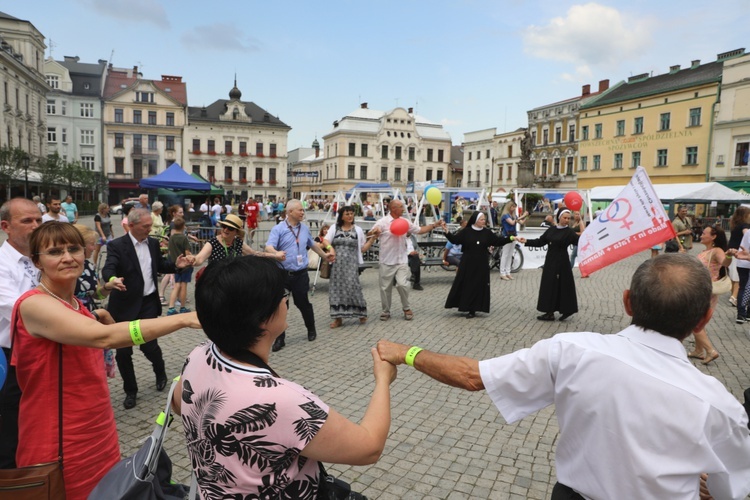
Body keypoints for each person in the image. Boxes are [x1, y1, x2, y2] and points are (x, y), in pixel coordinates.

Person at [376, 254, 750, 500]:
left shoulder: (573, 350)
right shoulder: (720, 405)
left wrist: (405, 353)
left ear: (627, 302)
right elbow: (731, 490)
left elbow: (473, 376)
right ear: (703, 320)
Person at [173, 256, 395, 498]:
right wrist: (383, 380)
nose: (286, 301)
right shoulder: (279, 400)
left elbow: (179, 404)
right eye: (282, 296)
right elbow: (369, 448)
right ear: (261, 319)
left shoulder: (199, 355)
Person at [12, 222, 200, 499]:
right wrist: (182, 319)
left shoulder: (75, 304)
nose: (67, 257)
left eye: (73, 248)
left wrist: (98, 314)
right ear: (36, 261)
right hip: (58, 439)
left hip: (98, 430)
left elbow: (92, 324)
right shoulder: (34, 304)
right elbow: (104, 338)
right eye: (54, 251)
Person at [102, 208, 194, 410]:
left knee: (149, 346)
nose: (150, 229)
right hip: (124, 306)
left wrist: (176, 266)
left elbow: (160, 265)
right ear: (132, 226)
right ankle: (130, 391)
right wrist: (111, 279)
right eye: (146, 226)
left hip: (147, 304)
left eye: (150, 226)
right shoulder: (117, 245)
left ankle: (160, 372)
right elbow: (109, 267)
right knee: (124, 352)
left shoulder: (152, 243)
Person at [0, 198, 42, 468]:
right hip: (10, 357)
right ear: (6, 226)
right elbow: (21, 309)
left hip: (39, 351)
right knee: (10, 431)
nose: (36, 226)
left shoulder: (39, 257)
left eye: (39, 219)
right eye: (27, 221)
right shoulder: (2, 264)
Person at [265, 200, 331, 352]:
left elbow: (313, 245)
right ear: (290, 212)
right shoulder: (278, 229)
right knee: (281, 307)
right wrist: (276, 253)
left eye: (303, 210)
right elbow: (269, 246)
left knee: (303, 304)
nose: (303, 212)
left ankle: (311, 328)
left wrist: (325, 256)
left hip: (300, 274)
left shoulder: (304, 228)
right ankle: (280, 339)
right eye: (300, 210)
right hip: (282, 274)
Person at [369, 199, 444, 322]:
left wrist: (435, 225)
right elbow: (371, 232)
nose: (403, 209)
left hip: (401, 260)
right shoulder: (382, 222)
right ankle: (386, 311)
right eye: (400, 207)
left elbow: (420, 230)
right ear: (393, 208)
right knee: (385, 288)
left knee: (402, 284)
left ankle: (406, 308)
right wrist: (375, 231)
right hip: (386, 260)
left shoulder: (405, 222)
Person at [444, 212, 517, 318]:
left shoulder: (487, 233)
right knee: (467, 284)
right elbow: (455, 240)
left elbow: (498, 241)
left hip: (481, 263)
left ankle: (473, 309)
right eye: (482, 219)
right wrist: (446, 232)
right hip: (467, 263)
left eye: (484, 219)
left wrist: (511, 238)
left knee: (478, 285)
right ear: (476, 220)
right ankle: (465, 305)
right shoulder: (467, 231)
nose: (484, 221)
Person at [523, 209, 585, 321]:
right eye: (564, 217)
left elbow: (581, 241)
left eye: (568, 218)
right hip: (550, 262)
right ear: (559, 217)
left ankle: (567, 310)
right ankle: (549, 312)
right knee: (549, 286)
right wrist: (526, 241)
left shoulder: (569, 232)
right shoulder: (551, 230)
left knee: (563, 287)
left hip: (562, 264)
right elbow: (540, 242)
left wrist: (581, 222)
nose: (566, 220)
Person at [323, 206, 375, 328]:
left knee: (354, 287)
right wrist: (331, 249)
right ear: (341, 216)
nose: (350, 216)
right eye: (347, 214)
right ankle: (338, 318)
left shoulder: (358, 230)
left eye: (352, 214)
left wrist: (372, 240)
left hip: (351, 265)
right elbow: (325, 241)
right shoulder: (334, 228)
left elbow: (362, 249)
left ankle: (361, 312)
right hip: (337, 265)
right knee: (336, 290)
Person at [690, 226, 729, 365]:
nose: (701, 235)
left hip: (706, 291)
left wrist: (729, 255)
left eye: (704, 233)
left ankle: (710, 351)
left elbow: (725, 262)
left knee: (693, 321)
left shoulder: (716, 251)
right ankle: (698, 350)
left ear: (713, 237)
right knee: (699, 320)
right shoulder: (705, 251)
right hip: (700, 289)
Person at [192, 214, 284, 268]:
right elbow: (199, 259)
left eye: (230, 228)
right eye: (224, 226)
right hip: (216, 284)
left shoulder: (239, 243)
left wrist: (275, 255)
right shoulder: (213, 242)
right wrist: (191, 260)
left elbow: (255, 254)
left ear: (236, 232)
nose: (225, 230)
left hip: (233, 283)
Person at [166, 217, 193, 316]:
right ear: (183, 226)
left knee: (176, 285)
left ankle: (171, 307)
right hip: (185, 266)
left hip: (176, 265)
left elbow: (169, 251)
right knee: (184, 286)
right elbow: (187, 252)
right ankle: (182, 307)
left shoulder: (171, 238)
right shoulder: (183, 238)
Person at [728, 206, 750, 313]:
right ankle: (734, 297)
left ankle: (734, 296)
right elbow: (747, 235)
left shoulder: (734, 224)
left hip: (732, 252)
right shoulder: (745, 226)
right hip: (740, 254)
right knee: (739, 280)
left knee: (733, 278)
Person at [499, 201, 528, 280]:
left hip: (513, 236)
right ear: (509, 206)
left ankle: (508, 272)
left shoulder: (513, 215)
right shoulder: (505, 215)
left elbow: (521, 222)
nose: (514, 208)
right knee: (505, 255)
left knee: (509, 255)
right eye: (513, 207)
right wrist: (523, 215)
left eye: (515, 207)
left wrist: (526, 216)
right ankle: (502, 273)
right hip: (506, 236)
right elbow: (512, 223)